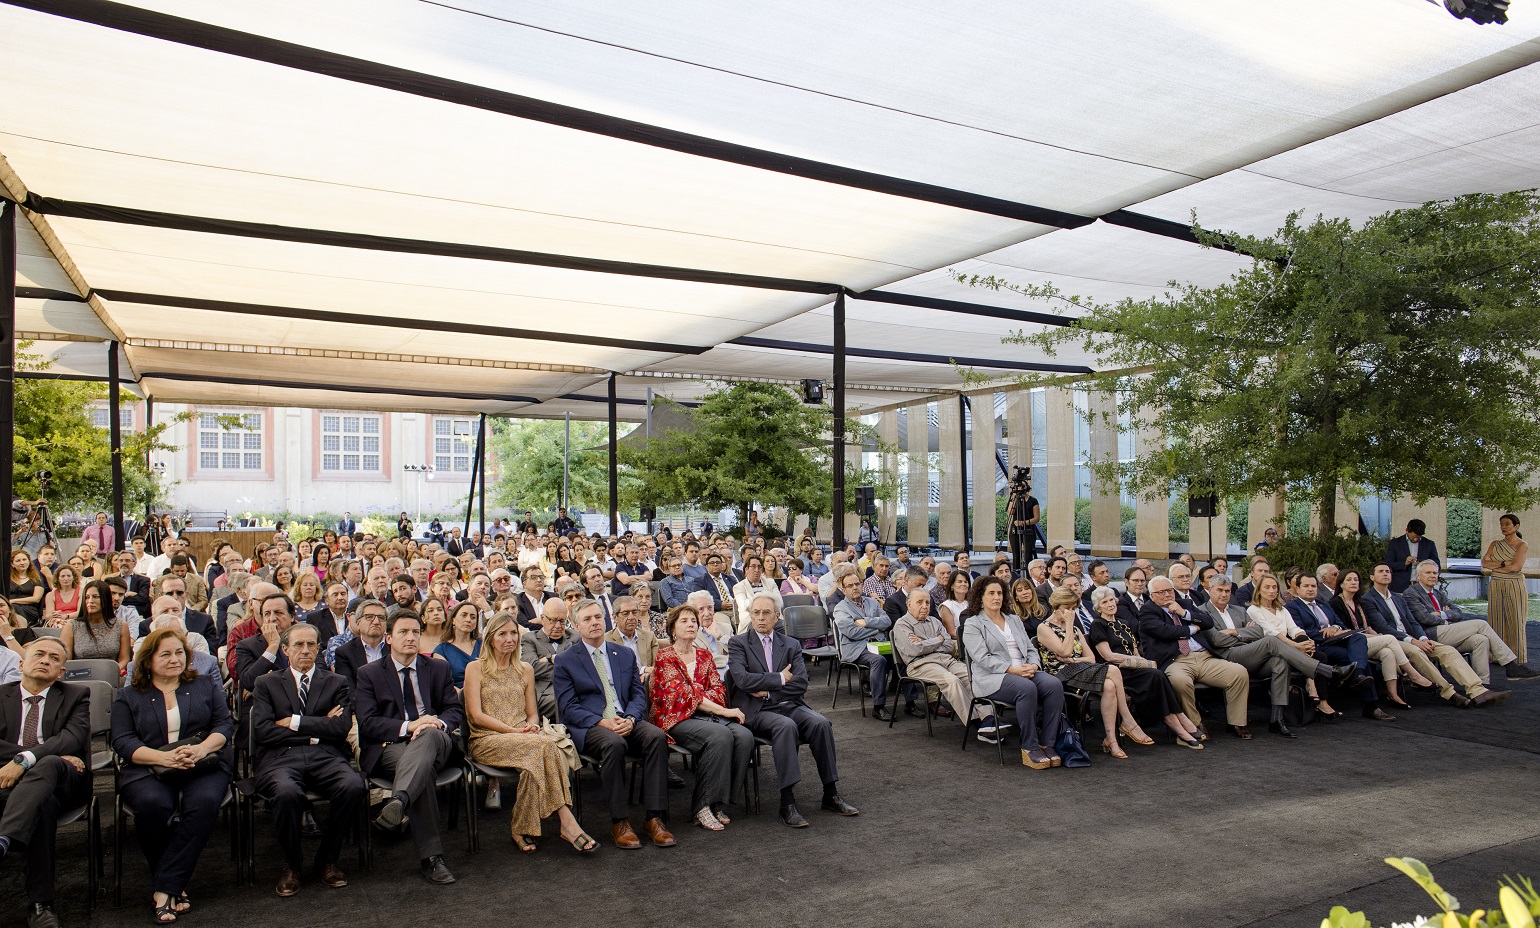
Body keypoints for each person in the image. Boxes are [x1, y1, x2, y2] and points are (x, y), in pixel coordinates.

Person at [111, 629, 233, 923]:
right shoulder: (128, 696)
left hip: (201, 763)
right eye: (165, 654)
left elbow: (225, 725)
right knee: (153, 806)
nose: (175, 659)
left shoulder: (204, 685)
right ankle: (172, 882)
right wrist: (163, 757)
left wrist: (201, 750)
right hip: (147, 767)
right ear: (148, 660)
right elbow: (123, 741)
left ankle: (165, 887)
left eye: (179, 652)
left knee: (203, 804)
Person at [249, 622, 365, 896]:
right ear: (286, 650)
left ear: (319, 649)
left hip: (325, 755)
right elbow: (263, 731)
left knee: (353, 786)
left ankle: (327, 858)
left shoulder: (337, 682)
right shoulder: (266, 683)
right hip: (280, 758)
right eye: (298, 645)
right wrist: (318, 725)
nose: (305, 650)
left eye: (311, 644)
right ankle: (291, 864)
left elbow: (339, 728)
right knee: (287, 793)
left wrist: (293, 722)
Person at [553, 599, 676, 850]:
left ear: (606, 619)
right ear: (576, 625)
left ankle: (654, 817)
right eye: (586, 619)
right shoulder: (566, 660)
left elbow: (637, 694)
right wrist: (602, 722)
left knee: (656, 737)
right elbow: (567, 707)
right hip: (591, 725)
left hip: (624, 717)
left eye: (598, 617)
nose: (594, 622)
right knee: (614, 744)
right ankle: (620, 821)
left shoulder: (624, 654)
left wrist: (631, 718)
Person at [727, 594, 858, 826]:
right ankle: (787, 802)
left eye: (766, 612)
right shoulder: (738, 643)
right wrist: (779, 678)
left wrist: (768, 690)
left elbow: (801, 683)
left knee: (821, 724)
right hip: (758, 711)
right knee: (785, 727)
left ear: (777, 616)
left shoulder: (790, 644)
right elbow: (742, 680)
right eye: (755, 612)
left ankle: (831, 793)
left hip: (787, 704)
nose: (760, 617)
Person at [464, 613, 591, 853]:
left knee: (535, 757)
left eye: (513, 633)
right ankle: (567, 821)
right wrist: (513, 730)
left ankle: (520, 829)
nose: (510, 639)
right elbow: (475, 715)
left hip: (524, 739)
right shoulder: (475, 668)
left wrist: (531, 726)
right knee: (544, 747)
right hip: (487, 739)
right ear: (491, 638)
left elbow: (532, 712)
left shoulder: (524, 669)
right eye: (502, 634)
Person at [354, 611, 463, 885]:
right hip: (391, 746)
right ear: (388, 638)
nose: (411, 637)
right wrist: (409, 726)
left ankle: (398, 801)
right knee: (420, 769)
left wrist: (431, 724)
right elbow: (367, 723)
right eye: (403, 632)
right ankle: (431, 857)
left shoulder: (438, 668)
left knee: (427, 737)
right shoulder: (369, 674)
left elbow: (453, 710)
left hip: (437, 741)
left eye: (416, 632)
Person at [0, 637, 90, 928]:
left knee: (51, 764)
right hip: (9, 784)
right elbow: (60, 745)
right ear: (22, 663)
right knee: (42, 804)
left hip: (63, 783)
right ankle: (41, 905)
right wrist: (25, 759)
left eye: (54, 658)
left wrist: (27, 760)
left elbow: (72, 738)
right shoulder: (1, 695)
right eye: (39, 654)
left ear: (61, 671)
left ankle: (5, 838)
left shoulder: (76, 695)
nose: (46, 660)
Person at [1204, 575, 1354, 736]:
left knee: (1279, 663)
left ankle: (1277, 720)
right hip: (1228, 658)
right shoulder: (1203, 611)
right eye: (1219, 590)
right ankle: (1329, 671)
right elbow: (1217, 640)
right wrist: (1246, 633)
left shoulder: (1238, 610)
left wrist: (1235, 632)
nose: (1224, 594)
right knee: (1270, 641)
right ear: (1210, 590)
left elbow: (1258, 631)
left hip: (1252, 655)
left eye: (1227, 591)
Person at [649, 604, 752, 832]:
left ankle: (719, 802)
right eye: (684, 621)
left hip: (706, 715)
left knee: (744, 736)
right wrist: (716, 707)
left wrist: (696, 695)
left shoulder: (705, 655)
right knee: (720, 736)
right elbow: (678, 696)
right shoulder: (665, 657)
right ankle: (702, 806)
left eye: (693, 621)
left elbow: (718, 689)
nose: (691, 624)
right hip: (676, 719)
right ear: (673, 629)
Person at [1360, 563, 1507, 708]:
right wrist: (1413, 641)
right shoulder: (1368, 599)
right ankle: (1449, 693)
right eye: (1381, 571)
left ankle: (1478, 691)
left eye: (1388, 571)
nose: (1385, 574)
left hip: (1414, 638)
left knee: (1448, 651)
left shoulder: (1398, 598)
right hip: (1394, 640)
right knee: (1417, 652)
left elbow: (1413, 622)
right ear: (1372, 577)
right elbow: (1383, 627)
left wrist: (1423, 639)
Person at [960, 575, 1065, 769]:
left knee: (1054, 685)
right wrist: (1012, 669)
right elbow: (982, 658)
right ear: (980, 596)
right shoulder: (973, 623)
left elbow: (1032, 649)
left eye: (999, 593)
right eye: (991, 593)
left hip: (1024, 669)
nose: (996, 597)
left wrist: (1033, 666)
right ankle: (1029, 746)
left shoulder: (1014, 619)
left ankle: (1047, 742)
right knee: (1026, 688)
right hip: (993, 677)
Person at [1085, 587, 1203, 748]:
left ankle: (1179, 722)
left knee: (1157, 675)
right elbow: (1108, 656)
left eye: (1112, 600)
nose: (1110, 604)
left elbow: (1135, 651)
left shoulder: (1124, 623)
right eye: (1105, 602)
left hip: (1134, 669)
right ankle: (1180, 725)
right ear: (1098, 608)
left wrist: (1142, 663)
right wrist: (1144, 663)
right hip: (1115, 671)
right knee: (1155, 675)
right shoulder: (1098, 625)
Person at [1138, 576, 1253, 739]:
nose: (1167, 595)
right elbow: (1165, 632)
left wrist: (1183, 613)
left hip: (1204, 657)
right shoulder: (1147, 611)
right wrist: (1192, 629)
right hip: (1176, 660)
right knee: (1180, 681)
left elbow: (1208, 621)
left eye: (1169, 591)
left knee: (1238, 672)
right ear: (1152, 594)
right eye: (1161, 592)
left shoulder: (1185, 604)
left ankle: (1237, 723)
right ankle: (1194, 724)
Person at [1038, 587, 1140, 758]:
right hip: (1060, 676)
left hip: (1080, 669)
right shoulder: (1045, 628)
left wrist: (1074, 660)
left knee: (1109, 686)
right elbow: (1065, 651)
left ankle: (1111, 740)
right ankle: (1127, 720)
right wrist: (1069, 625)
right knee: (1113, 670)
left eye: (1073, 608)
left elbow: (1091, 658)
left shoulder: (1076, 630)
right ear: (1056, 605)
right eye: (1067, 607)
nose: (1070, 612)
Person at [1405, 560, 1538, 683]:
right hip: (1430, 635)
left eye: (1435, 573)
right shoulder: (1411, 593)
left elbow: (1458, 613)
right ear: (1418, 576)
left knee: (1481, 639)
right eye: (1428, 572)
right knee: (1481, 624)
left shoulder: (1438, 593)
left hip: (1447, 633)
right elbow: (1424, 618)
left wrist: (1441, 613)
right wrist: (1446, 619)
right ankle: (1510, 665)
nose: (1433, 575)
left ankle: (1481, 685)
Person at [1286, 574, 1393, 721]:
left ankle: (1360, 678)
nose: (1310, 589)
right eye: (1306, 586)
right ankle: (1370, 703)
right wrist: (1324, 633)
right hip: (1318, 645)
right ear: (1297, 589)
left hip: (1338, 641)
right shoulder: (1291, 607)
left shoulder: (1324, 604)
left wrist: (1335, 628)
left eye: (1313, 586)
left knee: (1358, 640)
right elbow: (1299, 631)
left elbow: (1341, 624)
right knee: (1360, 659)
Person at [1330, 568, 1433, 710]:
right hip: (1351, 643)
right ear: (1341, 584)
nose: (1353, 582)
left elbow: (1367, 626)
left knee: (1387, 652)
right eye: (1349, 580)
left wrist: (1376, 635)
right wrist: (1378, 637)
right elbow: (1347, 632)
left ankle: (1393, 694)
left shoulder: (1359, 602)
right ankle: (1413, 675)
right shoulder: (1335, 603)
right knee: (1390, 639)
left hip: (1367, 639)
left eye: (1356, 580)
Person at [892, 589, 981, 728]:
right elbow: (915, 649)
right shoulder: (902, 624)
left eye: (927, 602)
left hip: (946, 660)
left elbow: (948, 646)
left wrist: (924, 642)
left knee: (973, 677)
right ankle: (975, 720)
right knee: (952, 681)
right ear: (909, 605)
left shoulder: (934, 621)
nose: (925, 606)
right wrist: (937, 639)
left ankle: (988, 716)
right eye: (920, 602)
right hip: (921, 664)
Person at [831, 571, 908, 722]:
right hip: (856, 648)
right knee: (878, 661)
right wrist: (876, 627)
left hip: (879, 643)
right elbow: (851, 632)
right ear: (844, 589)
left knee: (903, 655)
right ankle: (878, 707)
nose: (854, 587)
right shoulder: (840, 608)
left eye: (857, 584)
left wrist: (865, 622)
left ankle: (910, 702)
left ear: (862, 585)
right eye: (850, 585)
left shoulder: (872, 602)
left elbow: (886, 622)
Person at [1481, 513, 1530, 664]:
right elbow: (1484, 563)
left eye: (1507, 524)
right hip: (1496, 583)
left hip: (1514, 585)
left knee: (1515, 619)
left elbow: (1516, 567)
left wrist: (1496, 564)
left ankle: (1517, 657)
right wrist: (1504, 563)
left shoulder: (1522, 545)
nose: (1503, 527)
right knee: (1496, 619)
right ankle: (1497, 655)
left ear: (1516, 526)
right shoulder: (1495, 544)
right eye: (1501, 524)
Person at [61, 580, 131, 674]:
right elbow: (66, 661)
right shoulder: (72, 626)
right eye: (87, 597)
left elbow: (124, 659)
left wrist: (109, 672)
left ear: (105, 599)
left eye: (95, 597)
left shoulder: (121, 625)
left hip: (110, 675)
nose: (90, 601)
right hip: (79, 676)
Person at [521, 599, 575, 721]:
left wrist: (547, 661)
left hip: (574, 687)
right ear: (542, 618)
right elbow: (532, 669)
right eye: (553, 620)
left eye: (562, 621)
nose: (557, 626)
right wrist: (556, 661)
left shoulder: (574, 637)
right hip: (546, 692)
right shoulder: (530, 639)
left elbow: (581, 666)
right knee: (563, 700)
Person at [604, 596, 657, 682]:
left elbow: (657, 666)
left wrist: (648, 674)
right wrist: (643, 669)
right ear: (615, 617)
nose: (631, 617)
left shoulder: (649, 637)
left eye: (634, 612)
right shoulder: (606, 640)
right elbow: (617, 669)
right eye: (625, 613)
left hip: (647, 682)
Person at [433, 601, 482, 688]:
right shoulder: (441, 651)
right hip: (456, 696)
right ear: (453, 620)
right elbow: (443, 682)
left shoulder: (483, 645)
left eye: (473, 617)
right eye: (464, 615)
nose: (468, 620)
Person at [1387, 520, 1440, 592]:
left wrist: (1422, 563)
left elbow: (1436, 564)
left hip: (1422, 586)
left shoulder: (1429, 544)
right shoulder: (1395, 543)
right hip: (1400, 586)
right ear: (1407, 530)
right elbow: (1388, 564)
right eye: (1413, 536)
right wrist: (1404, 564)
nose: (1416, 539)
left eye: (1419, 537)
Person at [731, 555, 780, 633]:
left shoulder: (770, 583)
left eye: (759, 567)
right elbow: (745, 606)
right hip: (751, 621)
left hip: (772, 619)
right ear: (746, 569)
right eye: (753, 567)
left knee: (785, 628)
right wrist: (766, 598)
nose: (757, 570)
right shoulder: (739, 587)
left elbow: (779, 602)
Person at [7, 552, 44, 629]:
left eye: (24, 559)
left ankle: (22, 631)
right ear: (12, 564)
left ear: (29, 562)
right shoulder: (7, 579)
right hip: (9, 608)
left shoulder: (36, 579)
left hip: (29, 610)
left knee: (14, 608)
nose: (22, 563)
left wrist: (13, 601)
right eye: (18, 561)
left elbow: (36, 598)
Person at [40, 565, 81, 629]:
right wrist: (54, 615)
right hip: (57, 621)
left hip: (75, 620)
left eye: (69, 576)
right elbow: (48, 616)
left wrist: (66, 616)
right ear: (58, 578)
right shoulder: (51, 595)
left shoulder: (81, 591)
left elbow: (81, 612)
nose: (66, 579)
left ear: (73, 577)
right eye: (62, 576)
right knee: (56, 622)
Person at [938, 569, 974, 638]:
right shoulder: (947, 606)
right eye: (959, 582)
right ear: (952, 585)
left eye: (965, 582)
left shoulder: (972, 603)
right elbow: (951, 633)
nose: (963, 584)